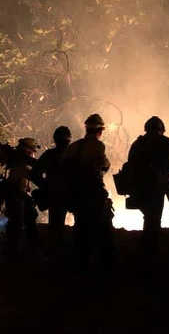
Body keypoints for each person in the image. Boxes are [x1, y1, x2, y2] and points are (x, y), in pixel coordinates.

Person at [64, 113, 114, 269]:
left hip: (77, 195)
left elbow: (65, 169)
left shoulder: (74, 146)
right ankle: (103, 265)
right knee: (103, 227)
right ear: (100, 131)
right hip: (94, 194)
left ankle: (80, 264)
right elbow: (103, 166)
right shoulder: (99, 146)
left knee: (81, 228)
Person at [126, 116, 169, 252]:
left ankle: (146, 249)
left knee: (149, 217)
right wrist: (161, 171)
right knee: (154, 219)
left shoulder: (137, 143)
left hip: (138, 189)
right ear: (161, 129)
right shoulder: (165, 142)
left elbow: (130, 165)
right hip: (156, 188)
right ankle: (150, 250)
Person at [30, 126, 72, 251]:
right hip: (67, 195)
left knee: (55, 226)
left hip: (56, 196)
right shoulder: (72, 156)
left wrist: (46, 187)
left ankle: (54, 250)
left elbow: (34, 174)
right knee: (60, 226)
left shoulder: (50, 155)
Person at [4, 137, 40, 257]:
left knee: (24, 219)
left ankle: (21, 249)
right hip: (16, 196)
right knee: (17, 223)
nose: (33, 154)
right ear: (28, 151)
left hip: (18, 195)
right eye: (32, 151)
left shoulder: (18, 162)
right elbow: (35, 178)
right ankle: (15, 252)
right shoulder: (21, 164)